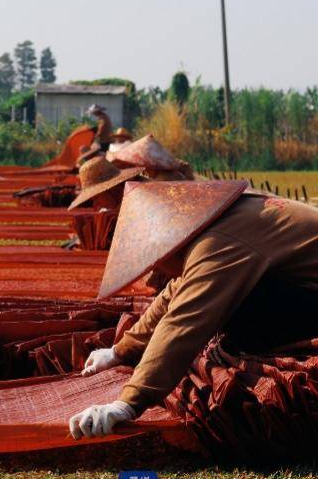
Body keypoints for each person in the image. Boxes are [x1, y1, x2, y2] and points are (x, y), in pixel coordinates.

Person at [68, 180, 318, 439]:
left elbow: (184, 320)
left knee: (239, 316)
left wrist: (128, 403)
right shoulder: (226, 223)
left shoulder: (220, 243)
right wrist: (118, 352)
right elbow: (175, 293)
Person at [69, 156, 144, 212]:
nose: (95, 203)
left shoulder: (140, 204)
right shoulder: (123, 204)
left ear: (112, 190)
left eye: (96, 198)